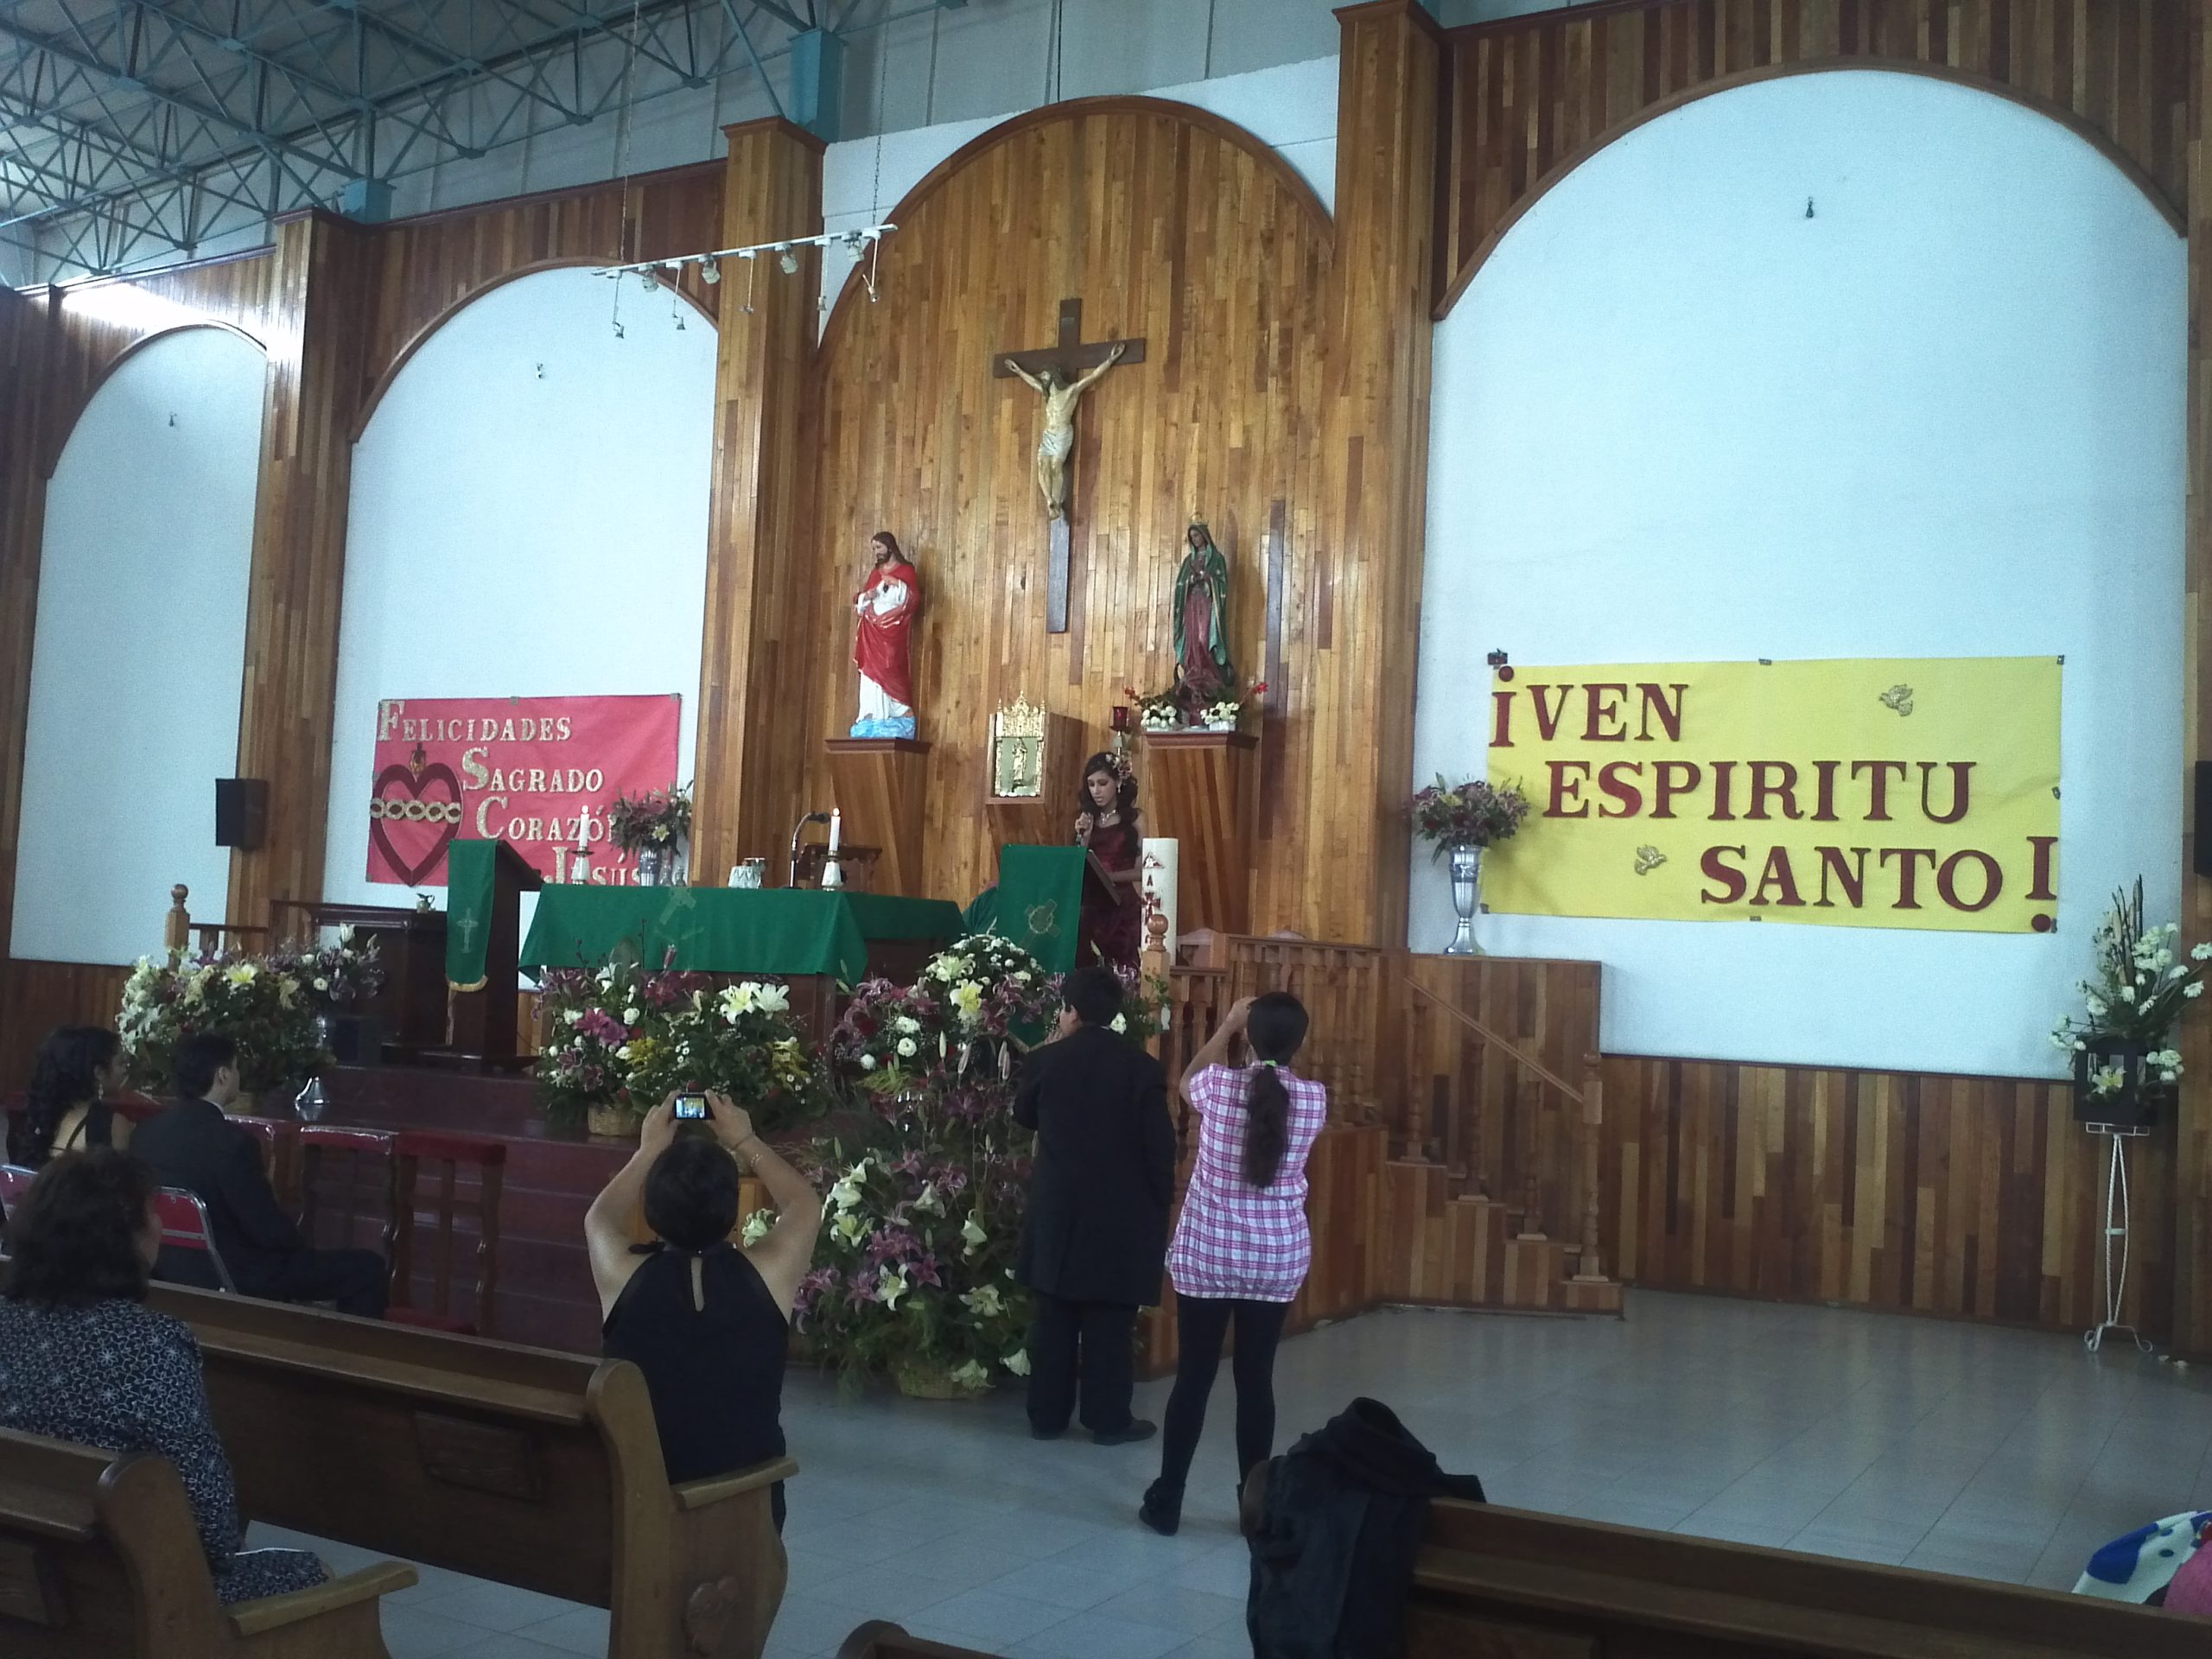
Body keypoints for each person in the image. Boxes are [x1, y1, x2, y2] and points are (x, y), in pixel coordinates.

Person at [0, 1148, 328, 1602]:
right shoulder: (152, 1344)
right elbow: (213, 1532)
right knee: (314, 1575)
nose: (159, 1225)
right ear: (121, 1238)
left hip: (19, 1579)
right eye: (151, 1213)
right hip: (135, 1597)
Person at [587, 1091, 821, 1530]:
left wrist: (649, 1149)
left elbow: (599, 1218)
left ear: (652, 1208)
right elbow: (804, 1204)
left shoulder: (622, 1275)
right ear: (731, 1210)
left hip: (644, 1496)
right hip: (748, 1492)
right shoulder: (768, 1275)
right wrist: (745, 1138)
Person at [1140, 992, 1328, 1535]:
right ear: (1300, 1042)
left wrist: (1226, 1028)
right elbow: (1276, 1086)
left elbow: (1184, 1083)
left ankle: (1169, 1499)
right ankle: (1255, 1507)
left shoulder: (1219, 1087)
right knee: (1256, 1379)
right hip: (1275, 1257)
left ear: (1249, 1034)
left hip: (1210, 1253)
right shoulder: (1314, 1099)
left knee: (1194, 1378)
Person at [1014, 966, 1176, 1445]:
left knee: (1053, 1317)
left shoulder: (1047, 1062)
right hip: (1120, 1215)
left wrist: (1048, 1047)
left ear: (1071, 1012)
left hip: (1059, 1210)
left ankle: (1046, 1417)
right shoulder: (1142, 1068)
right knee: (1110, 1321)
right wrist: (1158, 1205)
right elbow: (1159, 1147)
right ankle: (1108, 1420)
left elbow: (1024, 1116)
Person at [130, 1033, 389, 1318]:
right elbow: (266, 1229)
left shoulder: (146, 1133)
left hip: (169, 1267)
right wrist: (298, 1246)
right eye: (237, 1067)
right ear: (223, 1075)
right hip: (236, 1273)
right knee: (367, 1268)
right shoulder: (232, 1143)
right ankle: (342, 1361)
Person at [8, 1025, 130, 1168]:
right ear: (99, 1073)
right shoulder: (112, 1124)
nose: (125, 1070)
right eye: (121, 1063)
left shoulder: (32, 1117)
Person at [1074, 751, 1145, 972]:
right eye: (1091, 784)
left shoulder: (1134, 819)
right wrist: (1083, 838)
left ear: (1118, 782)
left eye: (1102, 783)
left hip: (1122, 903)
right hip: (1092, 903)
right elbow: (1076, 864)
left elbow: (1145, 868)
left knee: (1122, 967)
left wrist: (1109, 877)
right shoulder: (1087, 818)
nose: (1096, 791)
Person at [852, 531, 920, 739]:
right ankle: (872, 716)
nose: (876, 552)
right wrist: (867, 595)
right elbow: (860, 601)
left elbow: (914, 599)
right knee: (870, 674)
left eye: (879, 547)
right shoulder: (875, 573)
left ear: (890, 547)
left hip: (893, 631)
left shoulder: (906, 571)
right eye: (873, 549)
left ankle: (897, 712)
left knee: (891, 667)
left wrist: (897, 584)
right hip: (871, 630)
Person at [1173, 518, 1234, 708]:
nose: (1195, 539)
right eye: (1192, 537)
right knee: (1192, 640)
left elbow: (1222, 584)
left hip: (1207, 605)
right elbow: (1180, 586)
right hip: (1192, 605)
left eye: (1197, 535)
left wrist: (1210, 580)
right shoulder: (1188, 561)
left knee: (1204, 639)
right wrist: (1190, 581)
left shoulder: (1216, 559)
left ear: (1205, 535)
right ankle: (1193, 672)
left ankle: (1209, 674)